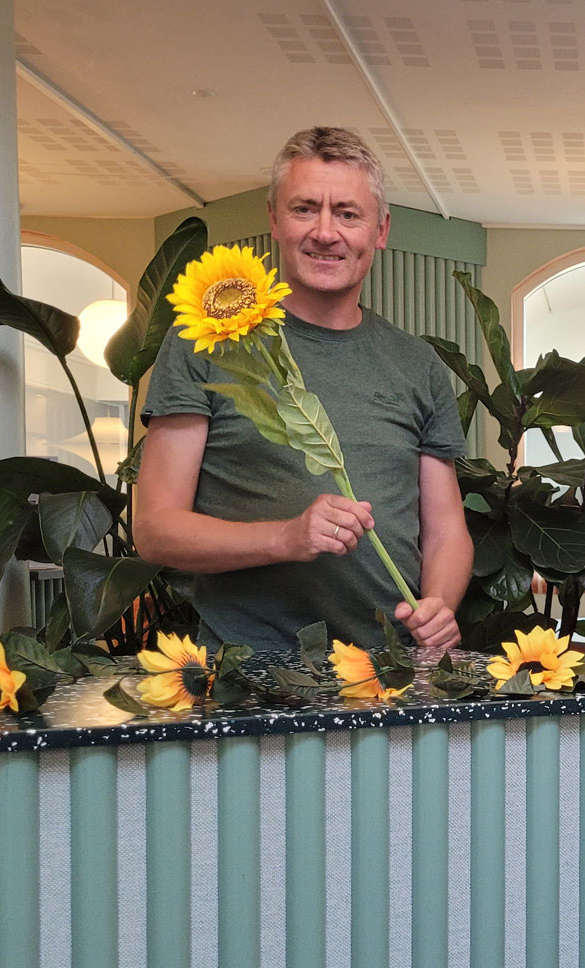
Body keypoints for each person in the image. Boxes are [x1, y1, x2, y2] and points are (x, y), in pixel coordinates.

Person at [135, 127, 472, 651]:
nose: (325, 232)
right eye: (304, 209)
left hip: (387, 673)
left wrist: (439, 606)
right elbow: (156, 530)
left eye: (348, 213)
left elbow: (446, 530)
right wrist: (286, 537)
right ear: (273, 218)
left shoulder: (417, 364)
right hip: (248, 675)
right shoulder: (202, 343)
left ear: (380, 230)